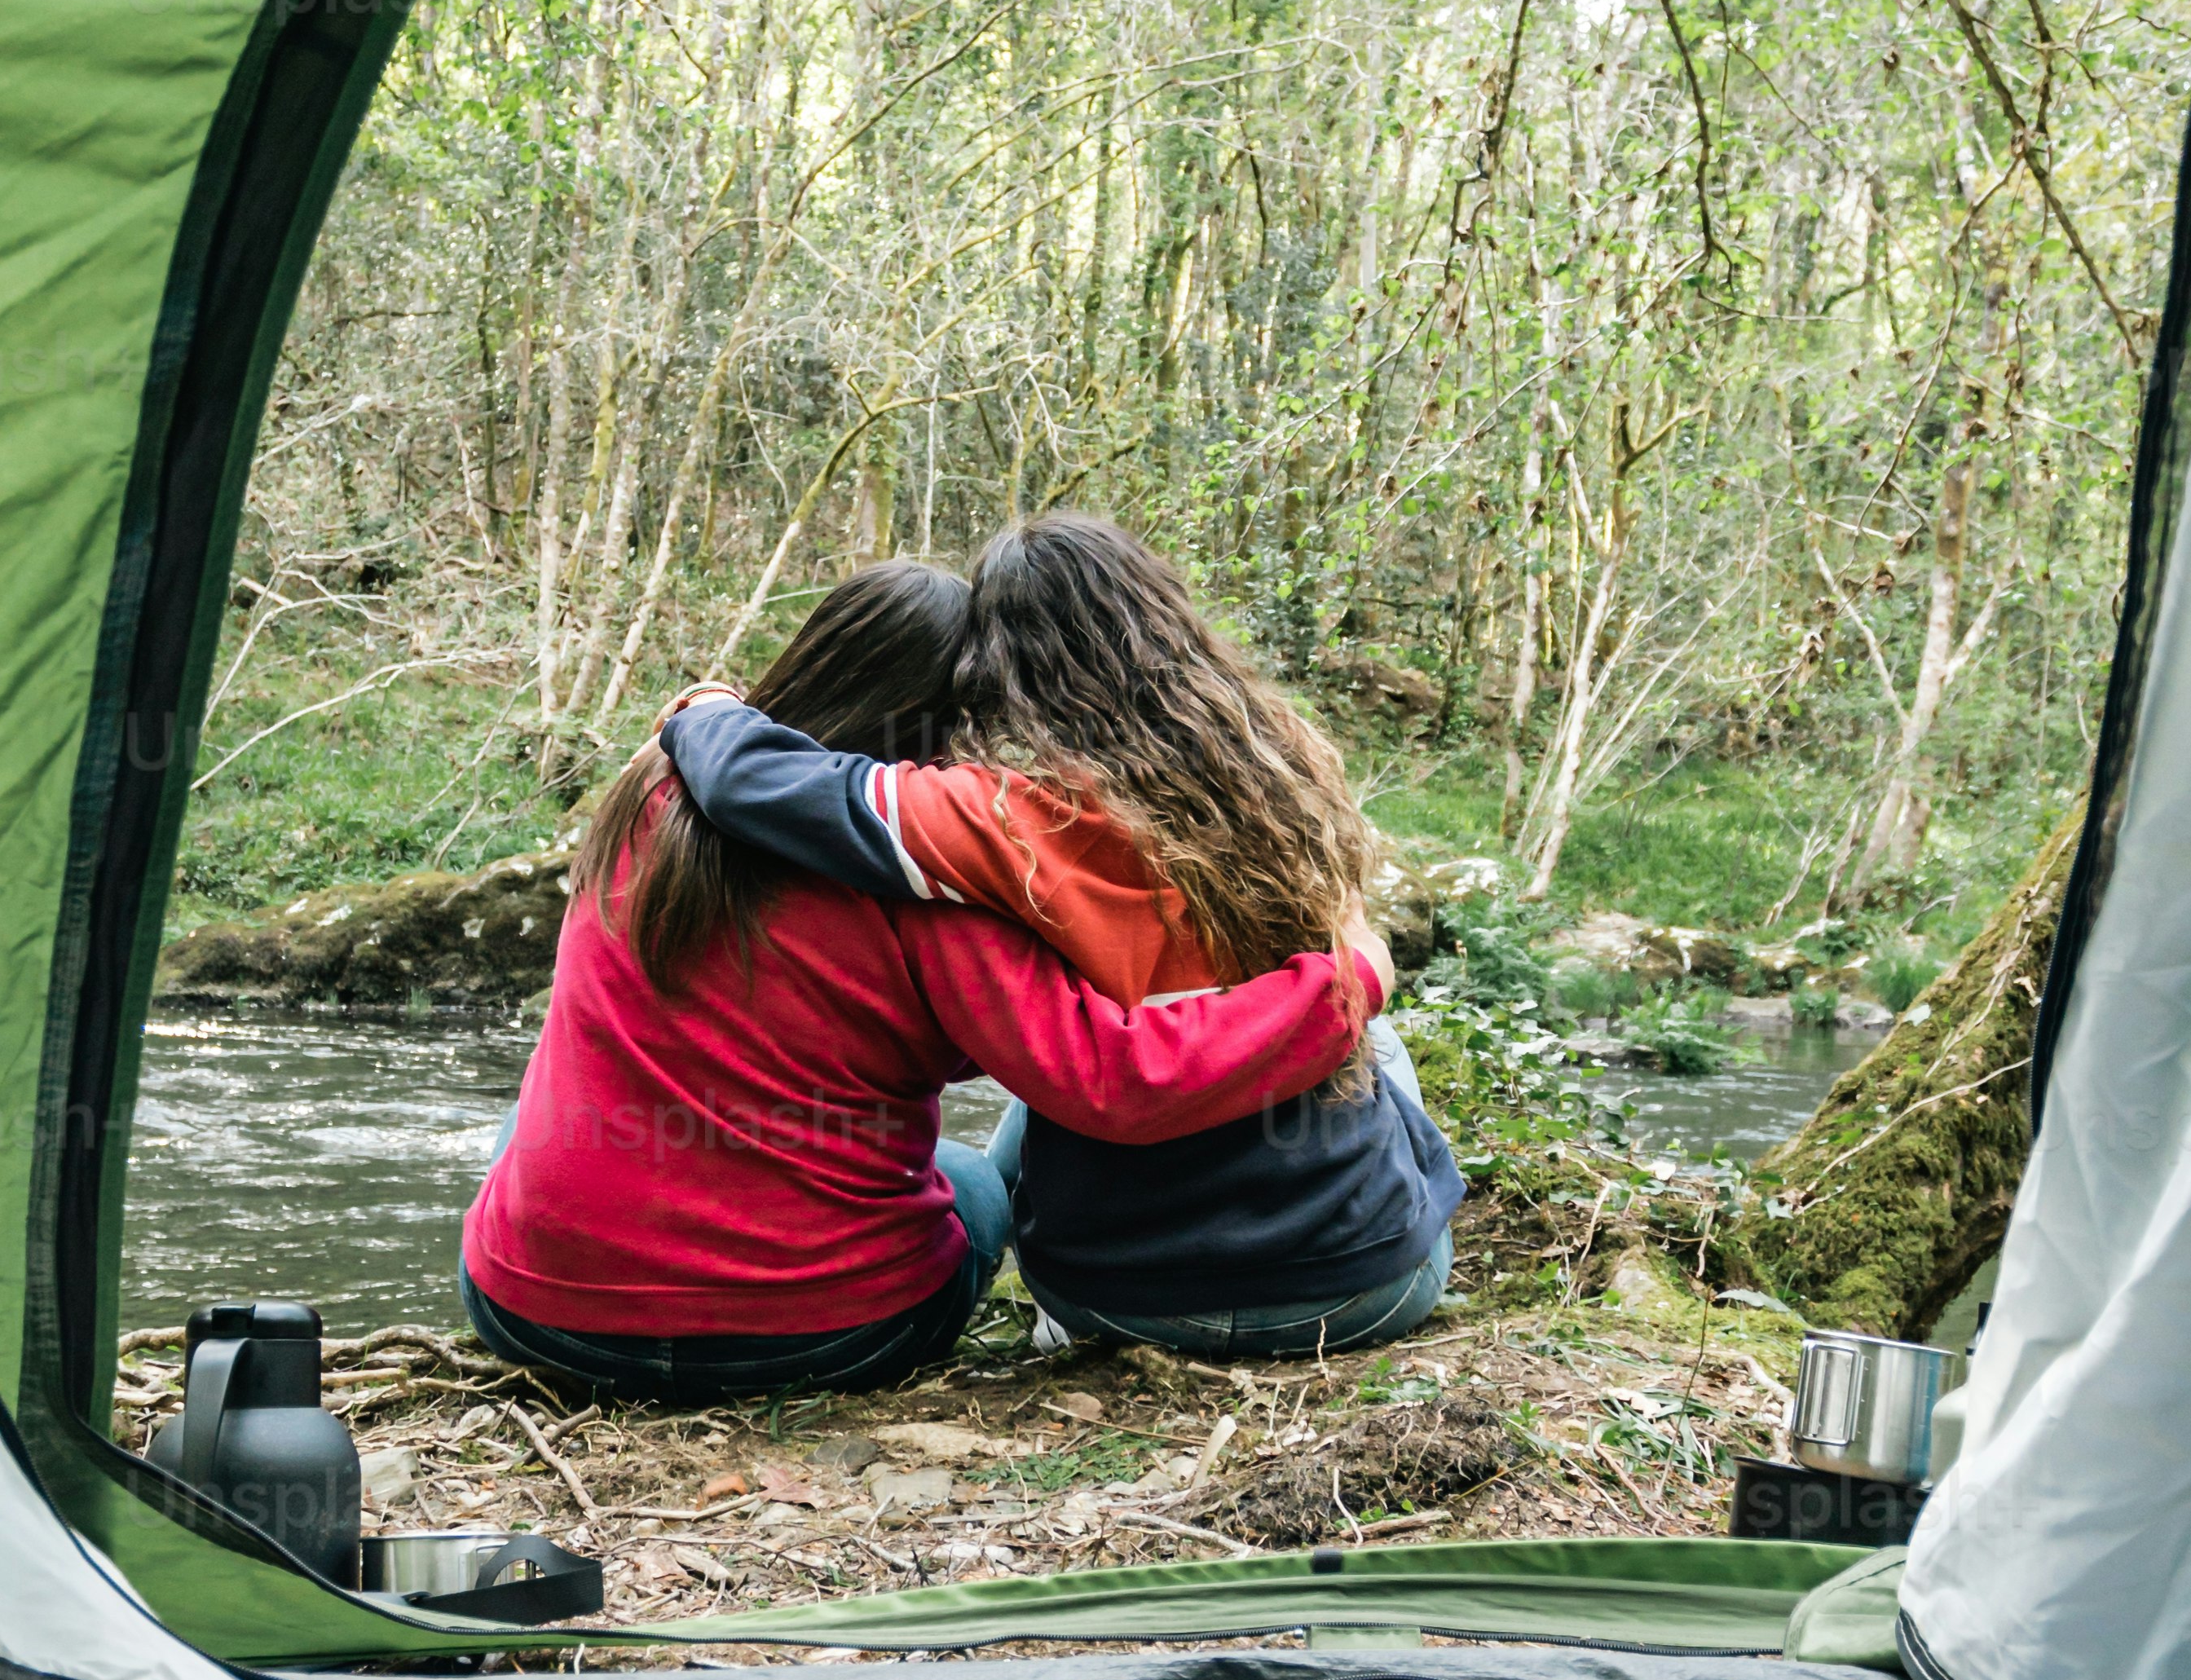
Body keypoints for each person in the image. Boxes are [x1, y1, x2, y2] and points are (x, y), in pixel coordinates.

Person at [459, 559, 1386, 1406]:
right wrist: (1343, 984)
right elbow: (1104, 1074)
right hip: (826, 1335)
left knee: (532, 1122)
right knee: (973, 1186)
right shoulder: (936, 882)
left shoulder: (648, 794)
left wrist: (705, 705)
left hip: (536, 1314)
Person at [660, 513, 1461, 1360]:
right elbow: (1339, 957)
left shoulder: (994, 817)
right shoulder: (1280, 763)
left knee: (1053, 1050)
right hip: (1369, 1288)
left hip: (1121, 1302)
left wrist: (705, 706)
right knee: (1371, 1034)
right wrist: (1361, 969)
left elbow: (752, 782)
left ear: (995, 669)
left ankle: (1051, 1283)